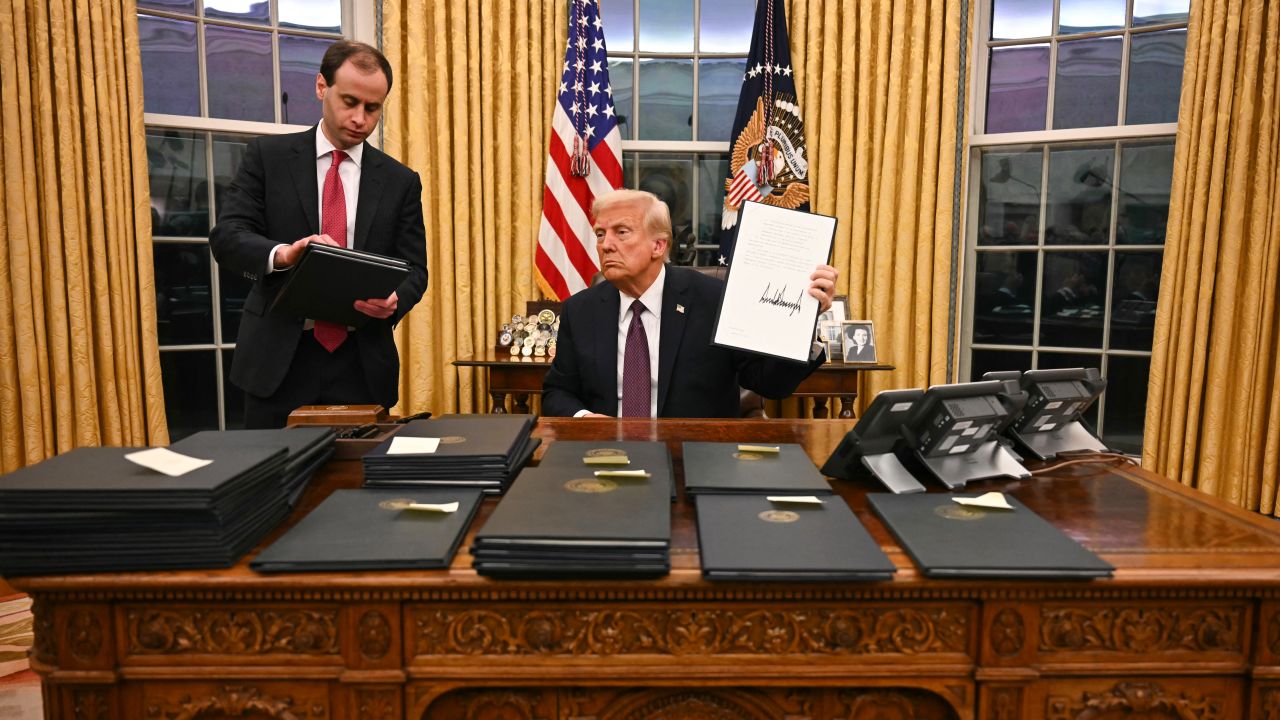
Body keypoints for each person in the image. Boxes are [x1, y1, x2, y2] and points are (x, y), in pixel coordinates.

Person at [210, 40, 428, 428]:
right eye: (349, 102)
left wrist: (396, 300)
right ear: (321, 87)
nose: (360, 118)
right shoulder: (267, 158)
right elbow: (227, 237)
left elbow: (416, 270)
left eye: (372, 108)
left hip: (361, 365)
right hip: (276, 363)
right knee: (274, 484)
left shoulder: (401, 181)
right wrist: (285, 254)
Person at [542, 189, 838, 418]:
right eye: (600, 234)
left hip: (698, 455)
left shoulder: (713, 300)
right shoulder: (580, 310)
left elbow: (770, 384)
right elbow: (558, 392)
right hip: (606, 457)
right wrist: (583, 418)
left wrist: (804, 319)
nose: (606, 245)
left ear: (658, 246)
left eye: (622, 232)